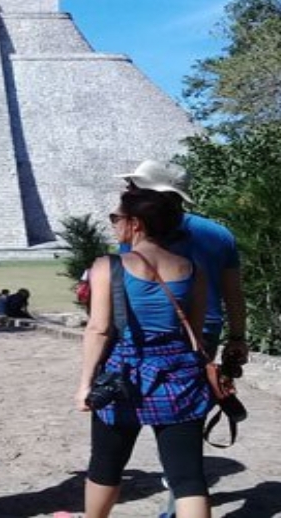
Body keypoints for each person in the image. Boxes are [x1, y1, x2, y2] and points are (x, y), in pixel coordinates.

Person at [75, 190, 212, 518]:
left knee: (106, 464)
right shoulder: (192, 269)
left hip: (126, 373)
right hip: (179, 373)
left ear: (135, 224)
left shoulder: (108, 266)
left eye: (116, 218)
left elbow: (99, 329)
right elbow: (194, 332)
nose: (114, 225)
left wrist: (84, 385)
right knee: (187, 475)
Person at [115, 160, 246, 366]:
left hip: (147, 333)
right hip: (204, 333)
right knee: (190, 392)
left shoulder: (137, 232)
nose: (128, 191)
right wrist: (237, 338)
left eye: (134, 187)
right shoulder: (218, 234)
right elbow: (233, 293)